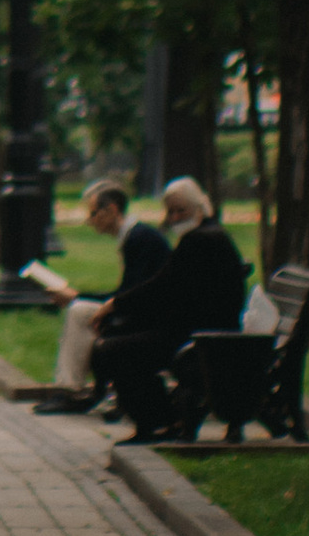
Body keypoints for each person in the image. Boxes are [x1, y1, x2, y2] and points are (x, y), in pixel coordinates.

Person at [90, 175, 251, 436]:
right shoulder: (207, 234)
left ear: (199, 207)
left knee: (111, 351)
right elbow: (171, 287)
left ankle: (157, 423)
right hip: (203, 329)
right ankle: (162, 419)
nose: (174, 218)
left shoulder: (200, 240)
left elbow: (161, 286)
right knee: (120, 340)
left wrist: (115, 305)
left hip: (204, 338)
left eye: (181, 210)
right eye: (170, 211)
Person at [28, 183, 172, 415]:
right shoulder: (136, 236)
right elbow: (129, 291)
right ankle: (75, 389)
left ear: (112, 210)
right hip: (146, 309)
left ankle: (70, 389)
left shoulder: (139, 238)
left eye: (93, 213)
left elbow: (130, 293)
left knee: (79, 310)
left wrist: (78, 296)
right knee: (80, 308)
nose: (90, 220)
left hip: (151, 315)